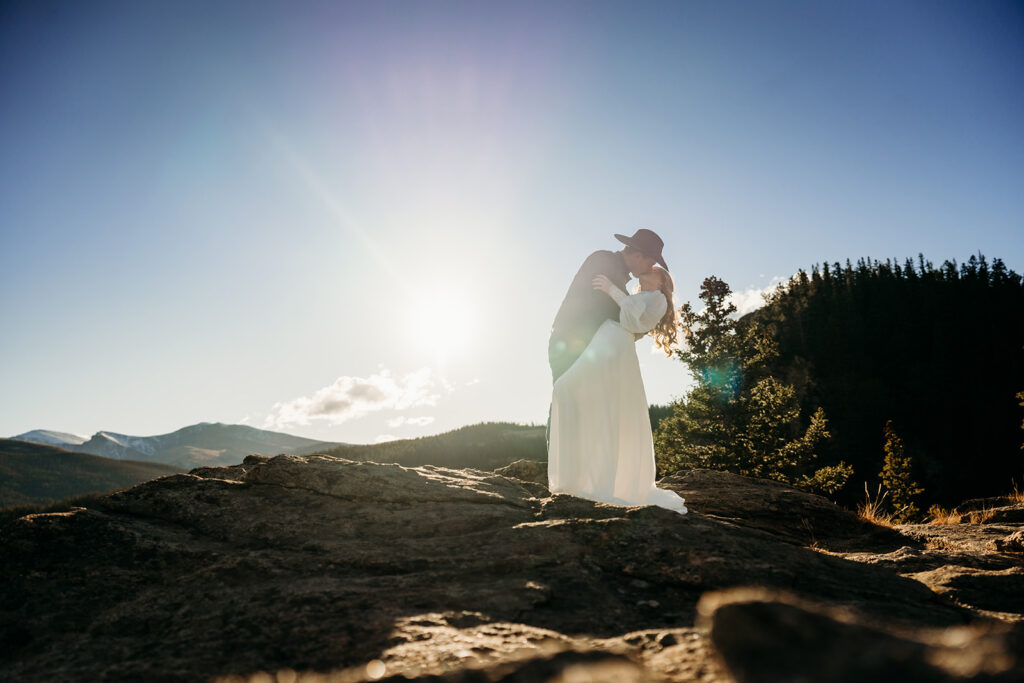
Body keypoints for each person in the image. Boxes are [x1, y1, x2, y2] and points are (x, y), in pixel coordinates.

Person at [546, 230, 688, 514]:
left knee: (589, 409)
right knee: (567, 399)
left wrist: (629, 322)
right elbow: (597, 308)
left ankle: (585, 479)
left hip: (594, 348)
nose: (649, 269)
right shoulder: (605, 262)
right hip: (574, 343)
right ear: (638, 255)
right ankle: (569, 479)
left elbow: (628, 318)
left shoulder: (624, 279)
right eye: (650, 263)